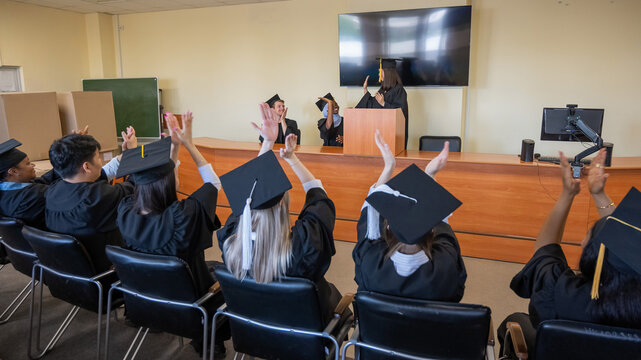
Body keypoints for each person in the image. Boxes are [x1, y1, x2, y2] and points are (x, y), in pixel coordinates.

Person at [497, 149, 641, 359]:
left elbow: (544, 251)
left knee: (515, 320)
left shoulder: (564, 295)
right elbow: (629, 242)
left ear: (591, 256)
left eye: (587, 236)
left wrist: (567, 194)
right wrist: (599, 194)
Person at [218, 102, 348, 326]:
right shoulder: (302, 249)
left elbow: (251, 192)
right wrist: (292, 159)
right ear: (283, 208)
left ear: (244, 209)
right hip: (303, 333)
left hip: (253, 330)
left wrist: (267, 143)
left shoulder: (231, 243)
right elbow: (319, 195)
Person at [115, 112, 229, 358]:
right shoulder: (183, 217)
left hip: (143, 301)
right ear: (169, 183)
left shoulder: (125, 210)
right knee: (221, 271)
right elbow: (213, 184)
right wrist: (188, 143)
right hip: (191, 306)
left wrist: (173, 147)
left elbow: (155, 181)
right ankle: (210, 342)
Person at [353, 130, 466, 301]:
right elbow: (442, 222)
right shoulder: (445, 265)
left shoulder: (371, 261)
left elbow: (370, 213)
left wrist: (388, 167)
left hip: (381, 329)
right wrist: (430, 175)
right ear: (432, 230)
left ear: (388, 228)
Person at [44, 127, 137, 273]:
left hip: (68, 275)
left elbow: (92, 180)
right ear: (86, 166)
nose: (100, 161)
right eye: (98, 157)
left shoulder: (52, 191)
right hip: (108, 276)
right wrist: (133, 153)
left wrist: (125, 155)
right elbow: (134, 184)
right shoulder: (98, 196)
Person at [0, 138, 60, 229]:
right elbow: (63, 191)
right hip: (52, 236)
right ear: (13, 171)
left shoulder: (7, 190)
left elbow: (43, 180)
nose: (33, 165)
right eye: (28, 163)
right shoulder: (33, 196)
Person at [355, 58, 409, 149]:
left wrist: (384, 103)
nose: (379, 74)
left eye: (381, 72)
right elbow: (373, 104)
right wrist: (365, 91)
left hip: (392, 134)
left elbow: (401, 113)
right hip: (381, 130)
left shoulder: (399, 90)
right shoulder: (383, 89)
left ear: (388, 73)